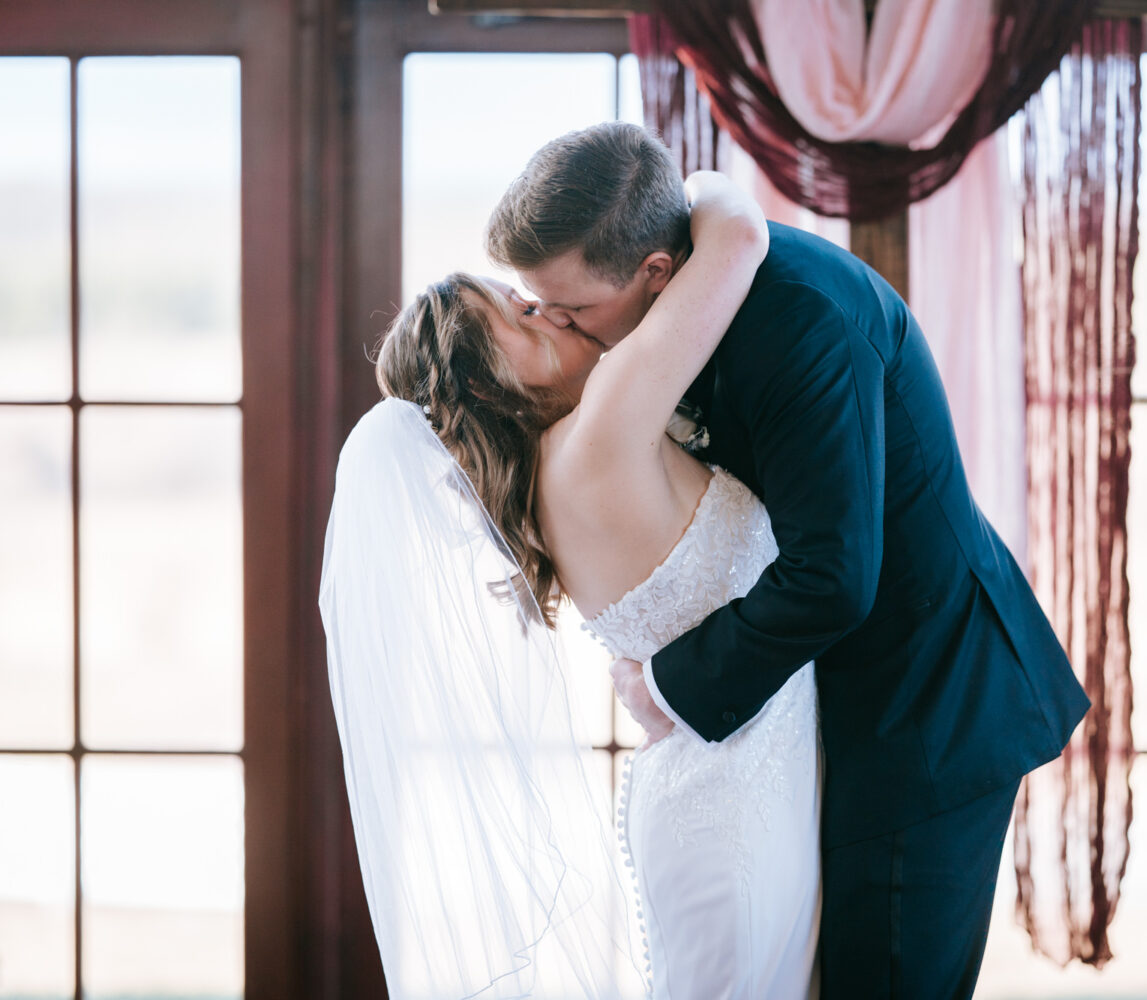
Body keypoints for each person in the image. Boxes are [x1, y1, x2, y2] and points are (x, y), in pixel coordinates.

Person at [485, 121, 1093, 1000]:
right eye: (535, 305)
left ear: (656, 272)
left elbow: (835, 573)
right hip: (830, 713)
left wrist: (665, 685)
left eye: (573, 310)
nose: (558, 325)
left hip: (922, 709)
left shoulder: (799, 323)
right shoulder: (696, 288)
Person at [328, 167, 820, 999]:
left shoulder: (547, 479)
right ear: (492, 380)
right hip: (735, 818)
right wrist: (693, 182)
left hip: (731, 793)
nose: (548, 310)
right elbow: (739, 237)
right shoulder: (600, 433)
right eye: (520, 314)